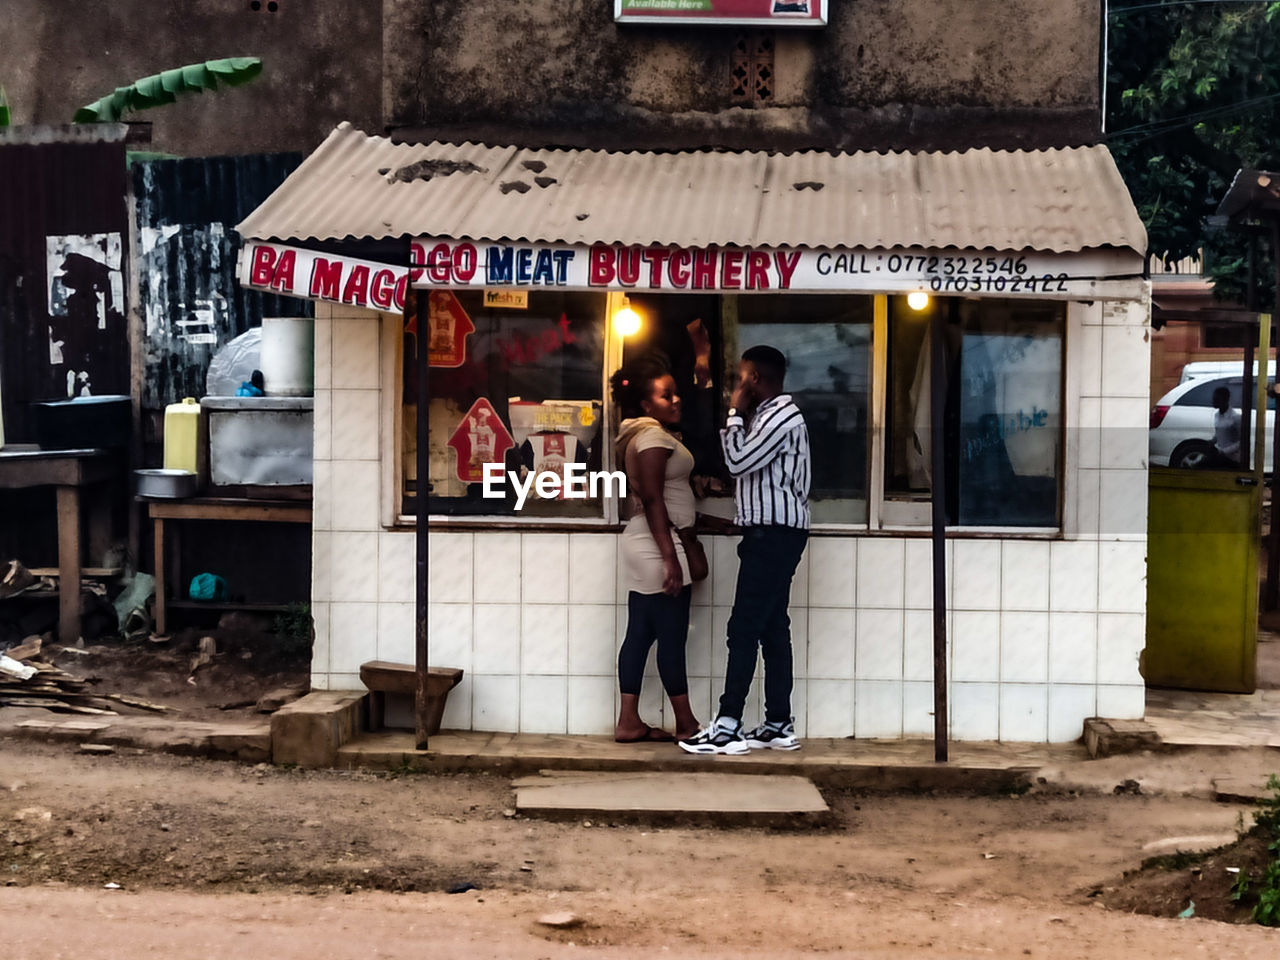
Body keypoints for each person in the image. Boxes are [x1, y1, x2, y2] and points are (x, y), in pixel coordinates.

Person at [680, 345, 810, 755]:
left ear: (755, 379)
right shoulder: (776, 416)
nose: (737, 386)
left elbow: (736, 461)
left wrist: (734, 413)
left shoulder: (778, 418)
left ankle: (728, 725)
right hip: (775, 533)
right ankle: (777, 722)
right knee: (772, 629)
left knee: (743, 628)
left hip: (773, 535)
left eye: (741, 378)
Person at [610, 356, 701, 743]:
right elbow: (652, 498)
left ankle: (629, 721)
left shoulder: (644, 433)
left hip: (648, 539)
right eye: (667, 395)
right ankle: (687, 724)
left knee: (641, 633)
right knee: (671, 634)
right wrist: (669, 559)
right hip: (657, 544)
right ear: (646, 406)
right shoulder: (651, 437)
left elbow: (664, 496)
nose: (677, 399)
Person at [1210, 385, 1241, 468]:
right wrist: (1211, 441)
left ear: (1225, 400)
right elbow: (1219, 434)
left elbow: (1242, 442)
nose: (1213, 401)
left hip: (1232, 459)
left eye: (1216, 399)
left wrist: (1225, 451)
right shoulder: (1217, 415)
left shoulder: (1235, 418)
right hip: (1220, 456)